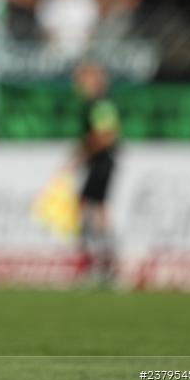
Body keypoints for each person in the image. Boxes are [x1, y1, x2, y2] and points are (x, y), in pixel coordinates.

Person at [72, 62, 119, 282]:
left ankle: (99, 262)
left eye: (84, 79)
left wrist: (82, 155)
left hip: (102, 163)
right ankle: (101, 262)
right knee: (94, 208)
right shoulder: (95, 104)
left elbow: (107, 135)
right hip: (100, 163)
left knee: (91, 208)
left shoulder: (100, 105)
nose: (79, 84)